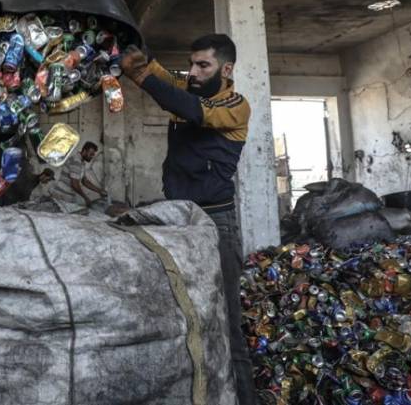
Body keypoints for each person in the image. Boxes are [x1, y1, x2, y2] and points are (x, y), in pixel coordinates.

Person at [121, 34, 257, 405]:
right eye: (192, 64)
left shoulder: (235, 105)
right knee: (181, 314)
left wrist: (141, 78)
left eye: (204, 66)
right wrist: (143, 61)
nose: (194, 73)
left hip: (214, 224)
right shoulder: (191, 87)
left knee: (227, 324)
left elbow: (190, 108)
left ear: (225, 69)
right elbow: (170, 81)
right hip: (178, 220)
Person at [50, 141, 107, 214]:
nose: (92, 157)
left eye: (93, 155)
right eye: (91, 154)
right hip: (61, 196)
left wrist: (99, 190)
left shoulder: (81, 162)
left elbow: (84, 181)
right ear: (84, 151)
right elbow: (74, 184)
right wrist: (86, 198)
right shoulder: (76, 161)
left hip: (67, 197)